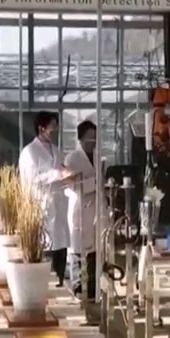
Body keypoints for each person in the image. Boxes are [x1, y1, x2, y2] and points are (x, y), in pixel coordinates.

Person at [17, 111, 72, 286]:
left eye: (56, 127)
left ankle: (60, 284)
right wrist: (58, 174)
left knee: (60, 250)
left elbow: (62, 168)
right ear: (41, 128)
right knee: (46, 250)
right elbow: (32, 178)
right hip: (41, 205)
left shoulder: (55, 150)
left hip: (58, 204)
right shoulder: (30, 152)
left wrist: (68, 176)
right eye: (52, 127)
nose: (55, 130)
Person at [63, 120, 99, 300]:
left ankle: (92, 286)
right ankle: (78, 285)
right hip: (80, 208)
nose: (93, 141)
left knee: (94, 248)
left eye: (95, 137)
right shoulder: (72, 159)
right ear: (81, 138)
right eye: (89, 138)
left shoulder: (99, 156)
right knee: (78, 248)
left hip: (96, 208)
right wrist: (94, 183)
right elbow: (72, 185)